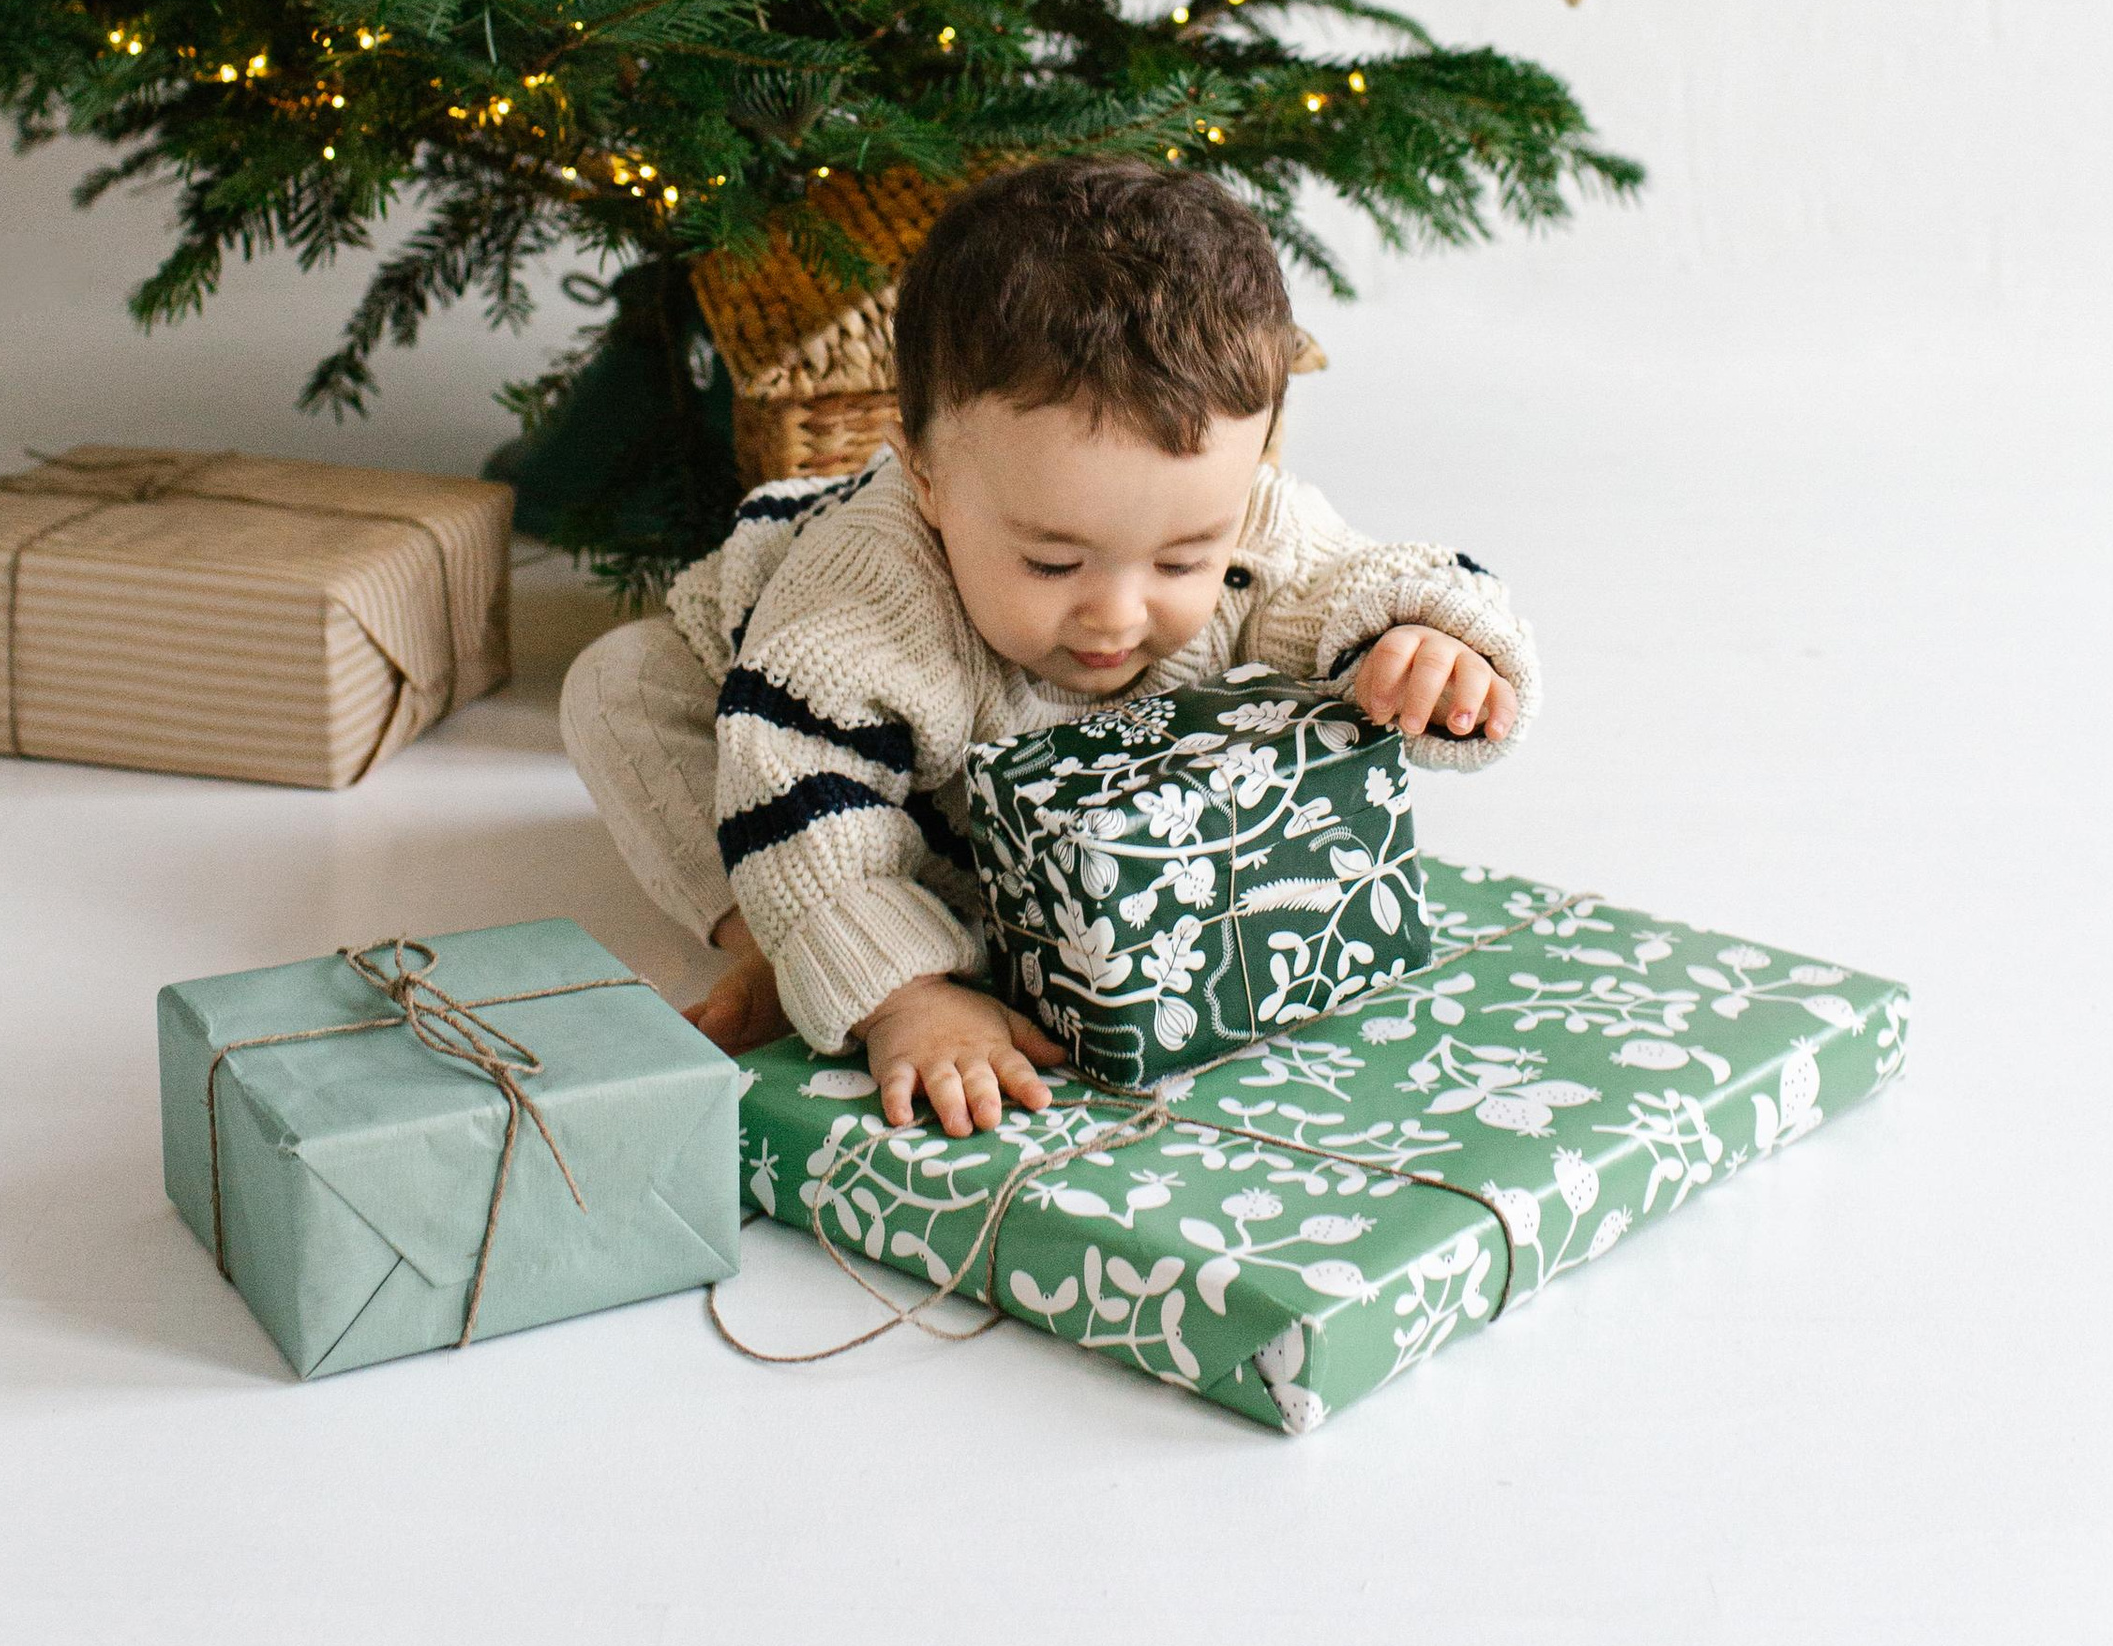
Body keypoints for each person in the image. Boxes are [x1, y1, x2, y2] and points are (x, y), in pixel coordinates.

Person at [559, 160, 1536, 1135]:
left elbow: (1350, 577)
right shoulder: (856, 608)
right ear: (930, 480)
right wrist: (906, 997)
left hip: (1024, 806)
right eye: (1051, 563)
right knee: (621, 685)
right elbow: (799, 791)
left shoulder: (1245, 527)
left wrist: (1428, 644)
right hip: (799, 745)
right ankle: (778, 942)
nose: (1116, 616)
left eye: (1181, 558)